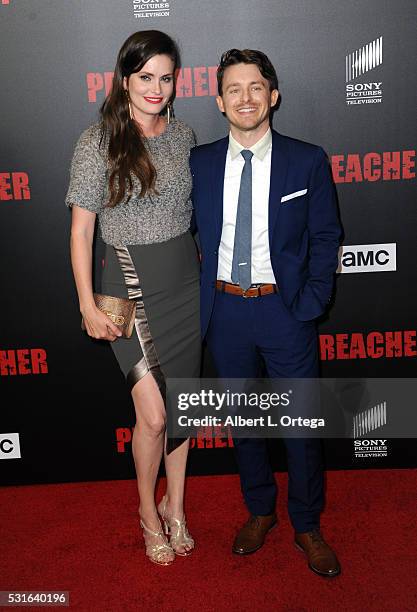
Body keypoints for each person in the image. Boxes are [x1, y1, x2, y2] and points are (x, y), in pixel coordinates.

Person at [190, 49, 342, 577]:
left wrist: (312, 301)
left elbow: (326, 236)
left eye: (256, 87)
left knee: (300, 426)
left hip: (285, 311)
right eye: (234, 88)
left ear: (273, 95)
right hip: (225, 312)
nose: (246, 98)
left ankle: (306, 522)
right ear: (219, 101)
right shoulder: (200, 162)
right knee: (246, 424)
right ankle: (260, 510)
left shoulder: (307, 159)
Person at [66, 30, 200, 566]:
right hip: (129, 287)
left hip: (185, 288)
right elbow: (80, 232)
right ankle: (148, 512)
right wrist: (86, 303)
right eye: (145, 77)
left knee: (182, 410)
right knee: (151, 415)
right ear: (124, 79)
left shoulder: (184, 135)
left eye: (165, 77)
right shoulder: (97, 141)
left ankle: (177, 508)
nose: (156, 88)